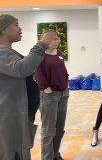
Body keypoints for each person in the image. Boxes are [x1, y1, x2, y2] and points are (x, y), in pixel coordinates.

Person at [0, 14, 58, 160]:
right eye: (16, 25)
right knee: (13, 152)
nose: (20, 29)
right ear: (3, 30)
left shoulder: (8, 52)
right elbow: (21, 68)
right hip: (10, 116)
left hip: (21, 113)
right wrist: (41, 44)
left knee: (22, 149)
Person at [35, 30, 69, 160]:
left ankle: (55, 154)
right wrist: (45, 87)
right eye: (54, 39)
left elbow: (62, 70)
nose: (57, 41)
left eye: (57, 38)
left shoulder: (59, 53)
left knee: (60, 128)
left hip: (63, 94)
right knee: (49, 130)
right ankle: (47, 157)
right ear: (46, 40)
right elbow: (38, 73)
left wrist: (66, 82)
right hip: (49, 95)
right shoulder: (40, 56)